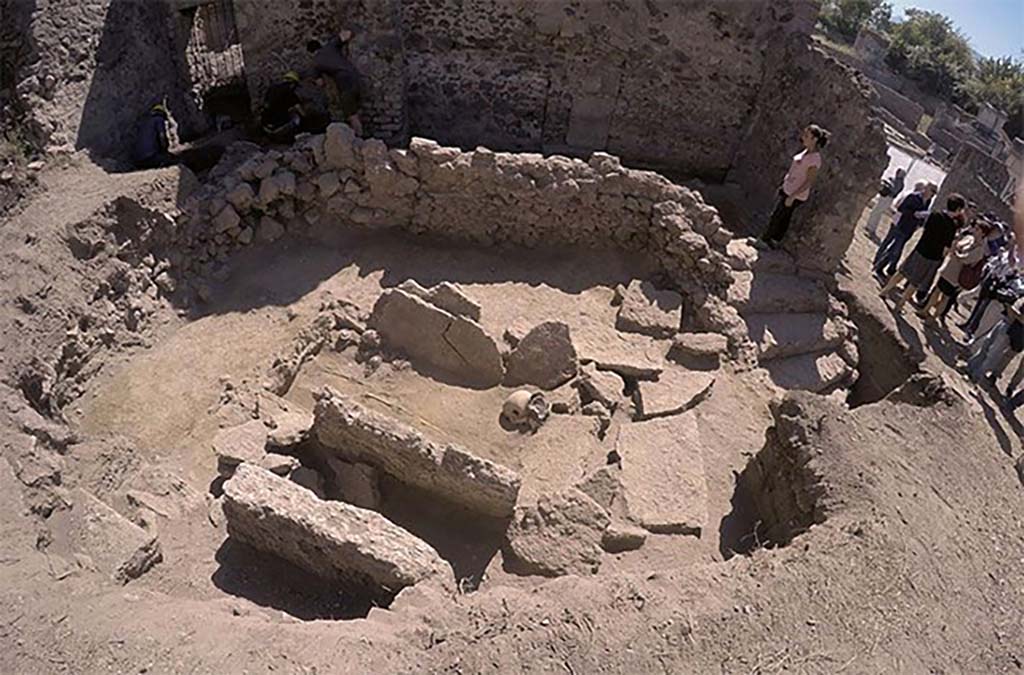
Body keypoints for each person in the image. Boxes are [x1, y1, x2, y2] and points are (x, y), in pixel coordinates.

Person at [880, 193, 968, 310]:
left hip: (920, 249)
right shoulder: (952, 226)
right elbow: (946, 249)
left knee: (903, 272)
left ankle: (885, 290)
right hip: (932, 257)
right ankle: (900, 304)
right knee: (915, 282)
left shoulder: (934, 214)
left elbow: (924, 229)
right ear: (957, 209)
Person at [758, 124, 830, 249]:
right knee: (784, 217)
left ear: (815, 140)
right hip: (788, 188)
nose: (803, 137)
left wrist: (793, 196)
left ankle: (764, 240)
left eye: (807, 136)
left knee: (777, 216)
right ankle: (774, 240)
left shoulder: (814, 160)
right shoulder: (806, 151)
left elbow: (809, 181)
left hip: (795, 193)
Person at [916, 219, 989, 321]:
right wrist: (957, 248)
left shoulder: (980, 250)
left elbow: (966, 259)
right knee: (937, 290)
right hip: (949, 268)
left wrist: (956, 251)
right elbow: (958, 244)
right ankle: (925, 311)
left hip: (957, 275)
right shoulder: (969, 238)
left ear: (983, 233)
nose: (974, 230)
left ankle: (933, 318)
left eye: (977, 229)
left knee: (945, 297)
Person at [872, 181, 936, 281]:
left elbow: (923, 214)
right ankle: (889, 269)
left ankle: (879, 267)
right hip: (902, 225)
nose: (933, 194)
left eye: (935, 193)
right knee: (896, 249)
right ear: (927, 189)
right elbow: (902, 209)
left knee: (894, 249)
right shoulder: (913, 197)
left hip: (910, 229)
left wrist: (920, 221)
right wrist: (914, 214)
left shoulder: (927, 201)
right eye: (932, 191)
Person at [307, 31, 364, 136]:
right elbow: (347, 34)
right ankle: (357, 137)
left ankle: (360, 140)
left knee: (351, 114)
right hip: (356, 78)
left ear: (311, 53)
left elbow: (320, 83)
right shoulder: (330, 46)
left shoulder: (315, 62)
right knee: (355, 110)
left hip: (345, 84)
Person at [260, 71, 305, 143]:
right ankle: (289, 139)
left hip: (265, 125)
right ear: (293, 84)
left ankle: (268, 135)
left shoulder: (271, 88)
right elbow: (302, 112)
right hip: (277, 127)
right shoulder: (291, 94)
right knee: (297, 118)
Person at [865, 167, 907, 240]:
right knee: (876, 211)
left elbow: (894, 190)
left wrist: (889, 185)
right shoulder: (896, 181)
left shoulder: (899, 183)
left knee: (877, 212)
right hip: (885, 197)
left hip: (887, 198)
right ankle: (869, 226)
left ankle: (871, 228)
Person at [133, 103, 174, 170]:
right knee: (175, 160)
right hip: (150, 158)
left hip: (138, 160)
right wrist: (165, 149)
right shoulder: (159, 120)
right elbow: (162, 136)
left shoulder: (145, 121)